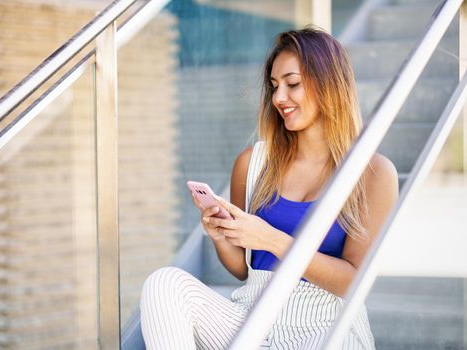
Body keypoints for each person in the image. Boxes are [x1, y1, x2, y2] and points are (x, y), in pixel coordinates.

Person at [140, 27, 398, 350]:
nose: (278, 98)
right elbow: (241, 268)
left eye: (292, 84)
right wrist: (222, 237)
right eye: (275, 86)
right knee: (164, 284)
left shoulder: (373, 174)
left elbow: (353, 281)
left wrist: (269, 238)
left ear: (330, 85)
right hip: (252, 319)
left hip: (325, 328)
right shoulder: (252, 164)